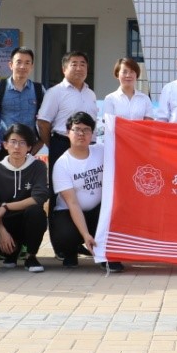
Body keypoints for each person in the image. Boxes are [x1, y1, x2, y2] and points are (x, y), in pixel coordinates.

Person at [51, 112, 118, 270]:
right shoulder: (62, 164)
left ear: (92, 134)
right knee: (65, 235)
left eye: (86, 130)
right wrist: (86, 234)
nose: (81, 134)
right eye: (77, 129)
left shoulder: (101, 151)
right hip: (70, 212)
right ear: (68, 132)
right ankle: (70, 252)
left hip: (97, 211)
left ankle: (106, 256)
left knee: (115, 213)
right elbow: (72, 203)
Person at [0, 123, 50, 272]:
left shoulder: (38, 166)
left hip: (27, 220)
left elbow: (38, 198)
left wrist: (6, 206)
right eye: (13, 142)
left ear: (29, 147)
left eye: (22, 143)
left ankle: (31, 256)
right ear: (5, 145)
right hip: (6, 222)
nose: (17, 147)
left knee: (36, 212)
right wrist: (2, 231)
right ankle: (11, 252)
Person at [36, 50, 98, 175]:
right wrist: (54, 145)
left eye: (82, 64)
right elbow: (43, 123)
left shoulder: (91, 94)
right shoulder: (55, 92)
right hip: (63, 144)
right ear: (64, 69)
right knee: (60, 183)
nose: (79, 68)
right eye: (74, 64)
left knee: (84, 183)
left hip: (88, 146)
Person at [0, 48, 45, 154]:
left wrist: (41, 142)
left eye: (27, 63)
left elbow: (49, 118)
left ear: (32, 66)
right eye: (19, 62)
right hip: (3, 147)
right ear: (11, 65)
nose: (23, 66)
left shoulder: (39, 90)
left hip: (29, 148)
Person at [99, 57, 155, 139]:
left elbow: (149, 125)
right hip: (118, 142)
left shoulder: (145, 99)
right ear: (117, 74)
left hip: (140, 141)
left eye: (132, 72)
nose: (128, 75)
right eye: (124, 72)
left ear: (136, 75)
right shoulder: (110, 99)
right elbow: (109, 126)